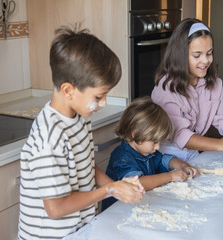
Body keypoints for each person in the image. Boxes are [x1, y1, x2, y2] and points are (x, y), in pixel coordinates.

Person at [18, 26, 144, 240]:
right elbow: (56, 208)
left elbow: (85, 165)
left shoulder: (79, 117)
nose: (103, 103)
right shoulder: (50, 139)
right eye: (98, 97)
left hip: (80, 229)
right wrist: (109, 191)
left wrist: (114, 184)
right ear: (68, 90)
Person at [151, 18, 223, 162]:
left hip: (193, 152)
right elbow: (179, 134)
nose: (205, 60)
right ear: (180, 56)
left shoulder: (215, 84)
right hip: (164, 155)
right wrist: (221, 144)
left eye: (209, 53)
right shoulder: (166, 87)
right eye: (197, 55)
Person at [102, 96, 200, 211]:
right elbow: (137, 183)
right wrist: (170, 176)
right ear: (135, 134)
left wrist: (184, 166)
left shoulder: (146, 151)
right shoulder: (121, 157)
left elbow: (166, 160)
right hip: (117, 212)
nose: (158, 146)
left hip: (139, 206)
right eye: (154, 142)